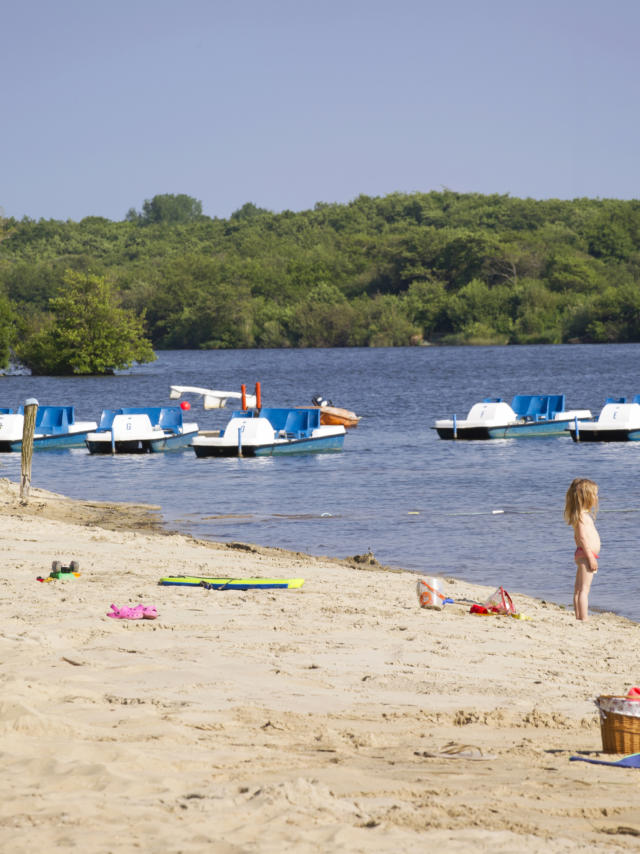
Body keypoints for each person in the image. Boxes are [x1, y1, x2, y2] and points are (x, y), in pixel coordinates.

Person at [564, 478, 600, 621]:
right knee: (584, 590)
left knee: (578, 589)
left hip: (583, 554)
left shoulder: (581, 515)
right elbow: (582, 538)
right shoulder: (581, 517)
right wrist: (590, 557)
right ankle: (583, 618)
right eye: (595, 495)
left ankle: (579, 617)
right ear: (587, 497)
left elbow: (577, 538)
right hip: (586, 554)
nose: (597, 498)